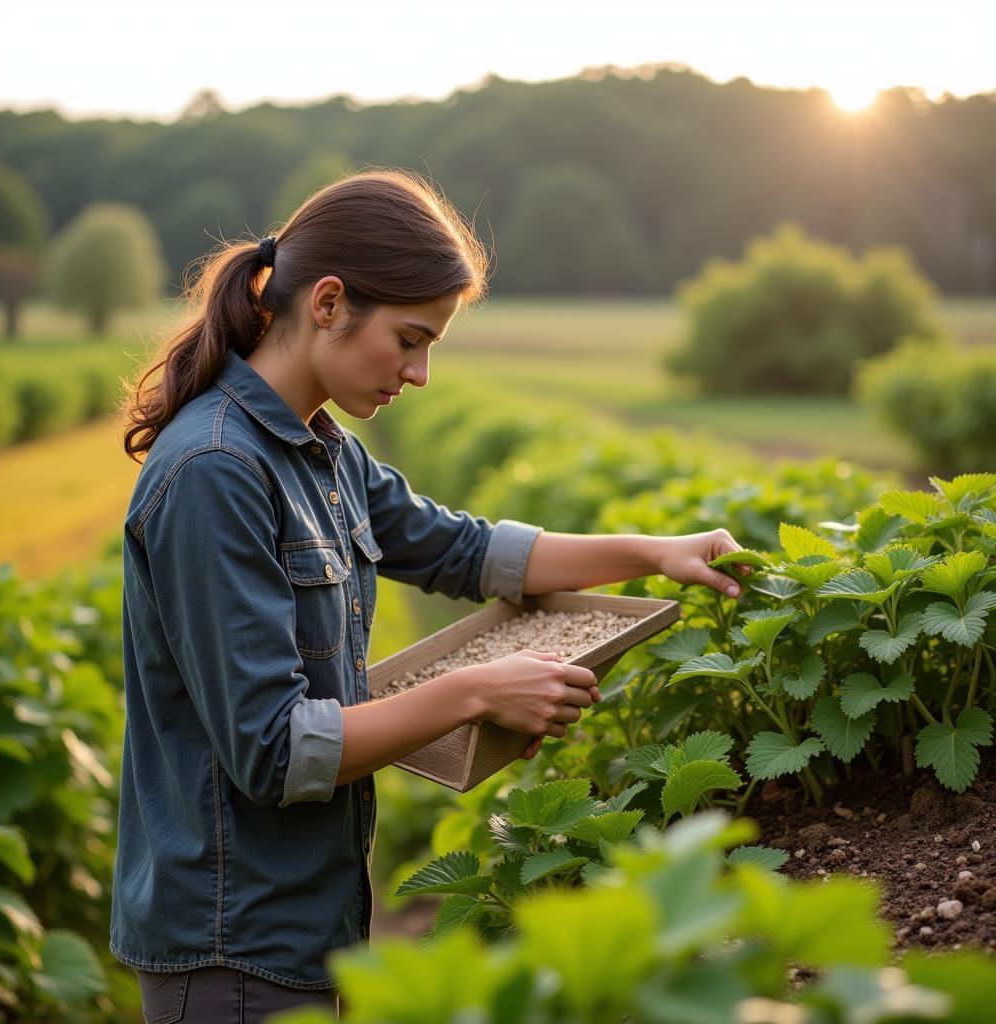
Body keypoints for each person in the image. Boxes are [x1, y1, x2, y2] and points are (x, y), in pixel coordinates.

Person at [111, 169, 746, 1022]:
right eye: (410, 339)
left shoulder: (323, 451)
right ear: (328, 303)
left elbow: (466, 550)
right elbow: (274, 749)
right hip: (232, 943)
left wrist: (654, 555)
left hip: (304, 921)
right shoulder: (216, 472)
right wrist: (477, 689)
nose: (420, 374)